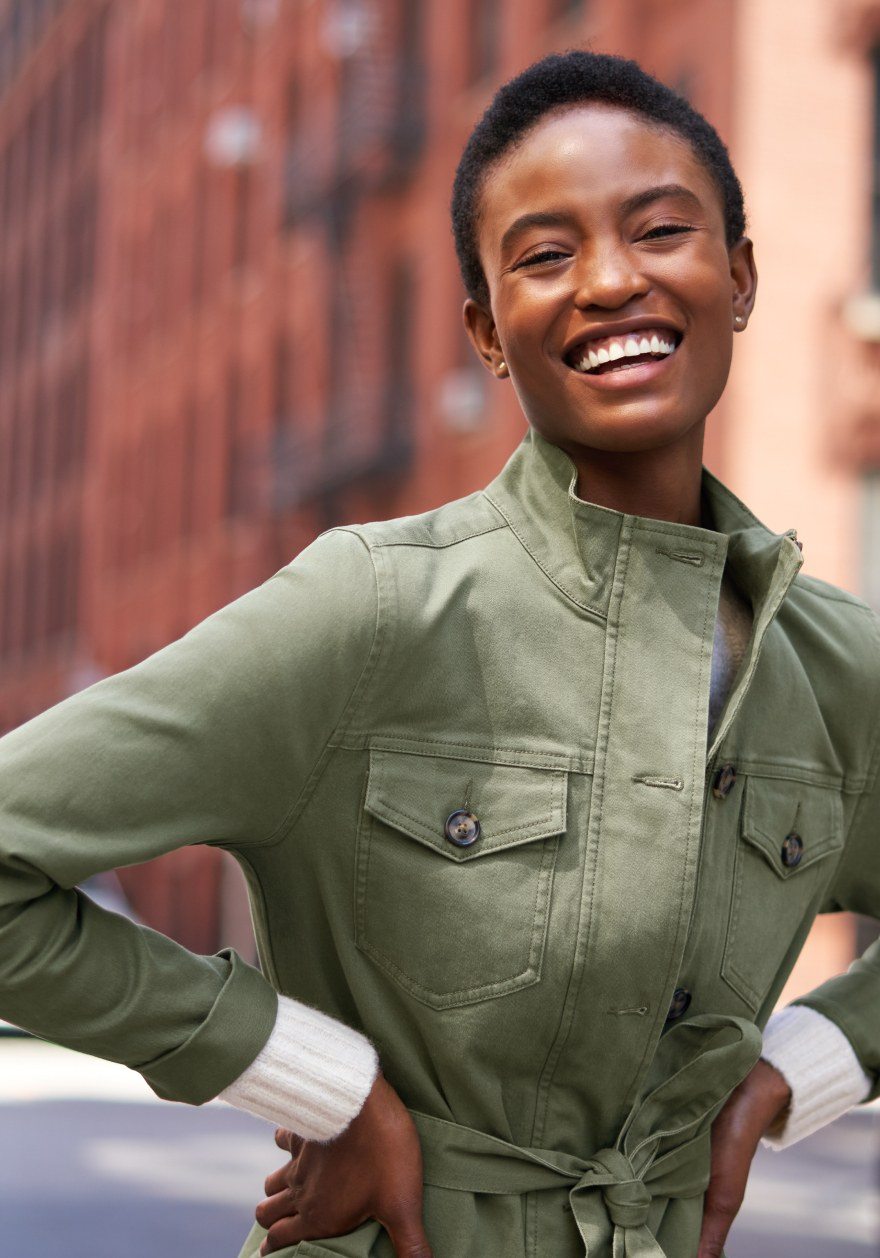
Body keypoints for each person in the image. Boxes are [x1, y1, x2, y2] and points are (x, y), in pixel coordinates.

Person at [1, 49, 878, 1258]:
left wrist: (802, 1067)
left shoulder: (833, 665)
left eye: (659, 230)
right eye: (544, 255)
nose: (610, 281)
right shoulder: (369, 610)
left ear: (736, 278)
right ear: (485, 329)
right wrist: (310, 1076)